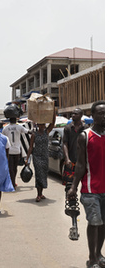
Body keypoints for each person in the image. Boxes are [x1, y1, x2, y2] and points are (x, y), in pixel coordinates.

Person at [67, 101, 105, 268]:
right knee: (95, 222)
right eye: (101, 113)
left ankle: (98, 253)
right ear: (93, 116)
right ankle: (92, 258)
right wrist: (74, 187)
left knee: (104, 223)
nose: (104, 116)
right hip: (91, 189)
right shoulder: (85, 136)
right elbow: (81, 164)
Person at [25, 108, 56, 202]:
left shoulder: (47, 132)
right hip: (37, 156)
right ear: (38, 125)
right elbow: (30, 147)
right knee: (38, 174)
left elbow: (53, 123)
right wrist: (27, 158)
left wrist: (53, 112)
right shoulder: (34, 134)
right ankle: (38, 194)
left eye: (43, 124)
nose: (42, 126)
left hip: (45, 156)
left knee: (43, 174)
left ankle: (41, 193)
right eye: (40, 124)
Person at [2, 117, 32, 189]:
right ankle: (13, 182)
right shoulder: (19, 127)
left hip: (9, 151)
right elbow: (28, 132)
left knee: (10, 168)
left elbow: (2, 138)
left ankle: (12, 183)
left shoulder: (5, 128)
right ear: (16, 120)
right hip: (17, 151)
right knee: (15, 168)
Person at [62, 108, 88, 185]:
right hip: (71, 161)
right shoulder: (68, 128)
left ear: (81, 115)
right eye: (72, 113)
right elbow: (65, 144)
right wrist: (67, 159)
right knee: (69, 184)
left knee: (85, 184)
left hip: (83, 161)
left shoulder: (86, 128)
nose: (73, 115)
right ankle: (68, 197)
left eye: (75, 114)